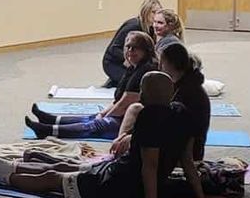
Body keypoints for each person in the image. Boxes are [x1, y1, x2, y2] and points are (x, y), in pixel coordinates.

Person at [0, 72, 226, 198]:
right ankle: (8, 166)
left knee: (53, 178)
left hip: (119, 186)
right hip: (120, 172)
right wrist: (200, 197)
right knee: (68, 165)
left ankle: (1, 175)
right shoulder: (181, 115)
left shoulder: (150, 120)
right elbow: (188, 162)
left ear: (145, 96)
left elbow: (149, 167)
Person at [27, 30, 156, 140]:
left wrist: (105, 117)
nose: (130, 51)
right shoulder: (133, 67)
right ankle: (52, 120)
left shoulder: (144, 71)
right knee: (93, 116)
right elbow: (118, 100)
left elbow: (124, 105)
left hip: (133, 121)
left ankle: (47, 130)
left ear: (145, 51)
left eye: (135, 48)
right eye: (128, 47)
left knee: (96, 125)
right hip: (124, 113)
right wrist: (103, 114)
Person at [101, 0, 160, 87]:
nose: (156, 15)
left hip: (133, 60)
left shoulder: (151, 29)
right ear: (146, 12)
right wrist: (128, 58)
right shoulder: (133, 26)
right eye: (153, 12)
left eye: (158, 12)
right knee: (133, 83)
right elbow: (114, 48)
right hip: (114, 62)